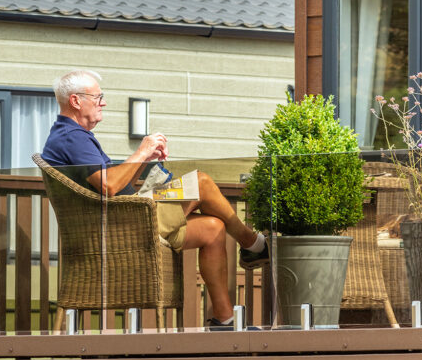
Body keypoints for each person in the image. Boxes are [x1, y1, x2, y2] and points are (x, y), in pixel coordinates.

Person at [41, 69, 268, 330]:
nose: (103, 102)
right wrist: (142, 149)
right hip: (126, 224)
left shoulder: (68, 135)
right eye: (98, 97)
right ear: (76, 101)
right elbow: (109, 185)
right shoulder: (72, 136)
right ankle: (253, 244)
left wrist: (145, 160)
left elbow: (115, 182)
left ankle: (224, 319)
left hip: (127, 217)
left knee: (213, 229)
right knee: (202, 182)